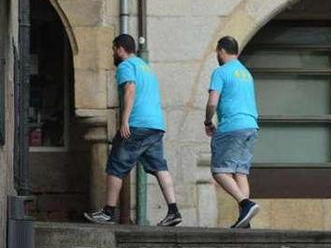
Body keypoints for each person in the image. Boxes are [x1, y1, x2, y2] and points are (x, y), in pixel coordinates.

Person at [85, 34, 181, 226]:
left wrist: (125, 121)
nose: (113, 53)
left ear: (120, 49)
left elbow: (130, 89)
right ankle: (174, 211)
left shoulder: (125, 66)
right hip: (155, 125)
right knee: (159, 167)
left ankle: (108, 212)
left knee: (116, 164)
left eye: (113, 49)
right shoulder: (146, 68)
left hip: (137, 124)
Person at [204, 36, 260, 228]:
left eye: (217, 52)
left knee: (219, 171)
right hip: (251, 126)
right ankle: (246, 218)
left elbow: (212, 102)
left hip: (232, 127)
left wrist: (207, 120)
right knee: (240, 172)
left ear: (221, 51)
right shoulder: (246, 73)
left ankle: (246, 204)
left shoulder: (220, 72)